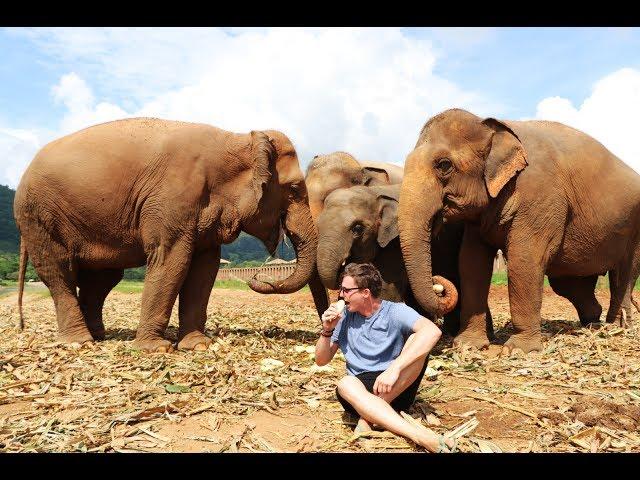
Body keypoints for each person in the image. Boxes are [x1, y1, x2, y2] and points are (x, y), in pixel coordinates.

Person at [315, 262, 456, 453]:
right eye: (342, 290)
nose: (341, 295)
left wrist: (394, 369)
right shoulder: (343, 317)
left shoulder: (394, 311)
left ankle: (368, 417)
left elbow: (432, 332)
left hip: (396, 385)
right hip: (359, 393)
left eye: (347, 290)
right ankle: (419, 436)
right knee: (345, 383)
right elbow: (321, 360)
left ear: (365, 293)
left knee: (418, 339)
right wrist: (327, 329)